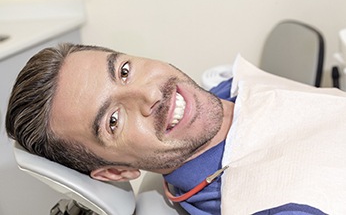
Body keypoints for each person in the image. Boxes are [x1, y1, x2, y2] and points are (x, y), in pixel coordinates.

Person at [5, 43, 334, 215]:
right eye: (114, 121)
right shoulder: (278, 204)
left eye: (124, 71)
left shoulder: (221, 91)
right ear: (116, 171)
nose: (150, 94)